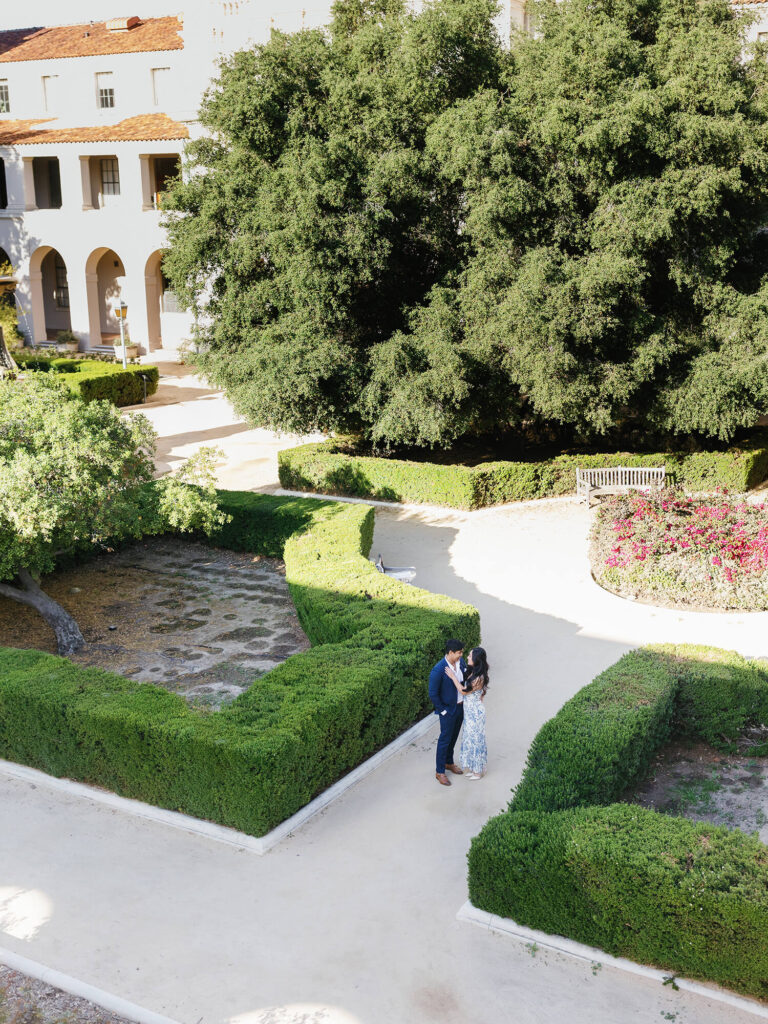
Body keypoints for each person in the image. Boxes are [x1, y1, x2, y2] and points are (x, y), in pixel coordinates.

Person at [428, 639, 467, 786]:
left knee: (454, 736)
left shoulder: (461, 663)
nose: (461, 655)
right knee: (444, 740)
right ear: (450, 652)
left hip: (460, 707)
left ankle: (449, 762)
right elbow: (433, 693)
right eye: (459, 652)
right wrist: (443, 711)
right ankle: (440, 771)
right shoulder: (438, 670)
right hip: (448, 711)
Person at [446, 646, 489, 779]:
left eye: (470, 656)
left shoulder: (478, 678)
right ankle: (473, 767)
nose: (468, 657)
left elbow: (464, 691)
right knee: (469, 739)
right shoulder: (472, 672)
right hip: (470, 712)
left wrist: (453, 677)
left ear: (476, 659)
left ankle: (477, 771)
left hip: (475, 713)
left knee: (475, 740)